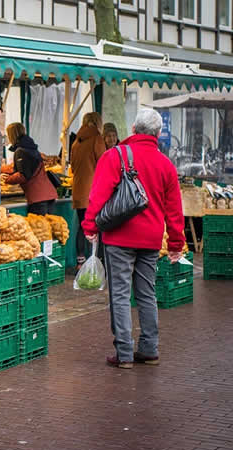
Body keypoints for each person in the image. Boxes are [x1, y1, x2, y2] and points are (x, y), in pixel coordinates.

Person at [82, 108, 185, 369]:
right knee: (147, 294)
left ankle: (124, 353)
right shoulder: (166, 165)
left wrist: (90, 224)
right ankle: (149, 349)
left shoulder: (114, 156)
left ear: (133, 130)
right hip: (151, 239)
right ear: (159, 134)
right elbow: (174, 210)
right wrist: (175, 244)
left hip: (119, 237)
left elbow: (98, 194)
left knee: (119, 294)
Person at [71, 112, 106, 267]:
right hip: (93, 191)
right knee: (95, 227)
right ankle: (95, 262)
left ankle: (80, 261)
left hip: (78, 190)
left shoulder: (76, 142)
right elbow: (105, 164)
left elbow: (72, 167)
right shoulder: (97, 139)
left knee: (82, 225)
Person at [3, 123, 58, 215]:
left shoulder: (20, 151)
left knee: (38, 227)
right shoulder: (31, 148)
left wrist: (7, 180)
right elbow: (21, 167)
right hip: (48, 193)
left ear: (11, 135)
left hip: (38, 196)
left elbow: (23, 175)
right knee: (48, 226)